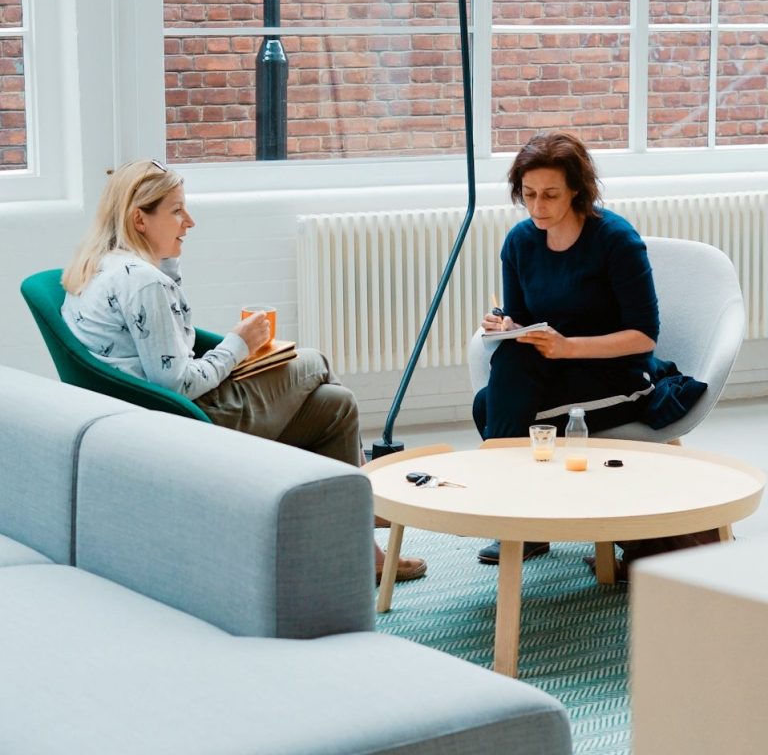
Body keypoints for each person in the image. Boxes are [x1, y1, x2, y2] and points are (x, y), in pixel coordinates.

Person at [61, 158, 426, 584]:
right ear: (139, 219)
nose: (190, 221)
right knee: (315, 361)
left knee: (336, 405)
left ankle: (358, 545)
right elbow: (176, 382)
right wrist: (238, 344)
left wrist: (171, 268)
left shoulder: (103, 266)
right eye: (177, 211)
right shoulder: (144, 283)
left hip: (151, 417)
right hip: (190, 420)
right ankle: (367, 505)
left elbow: (167, 352)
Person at [473, 132, 714, 573]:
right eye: (528, 194)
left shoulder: (615, 240)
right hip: (558, 372)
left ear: (576, 190)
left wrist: (568, 347)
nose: (537, 206)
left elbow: (644, 336)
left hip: (618, 376)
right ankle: (524, 516)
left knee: (494, 408)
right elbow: (523, 320)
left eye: (550, 194)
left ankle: (516, 514)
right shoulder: (520, 242)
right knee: (491, 394)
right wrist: (506, 326)